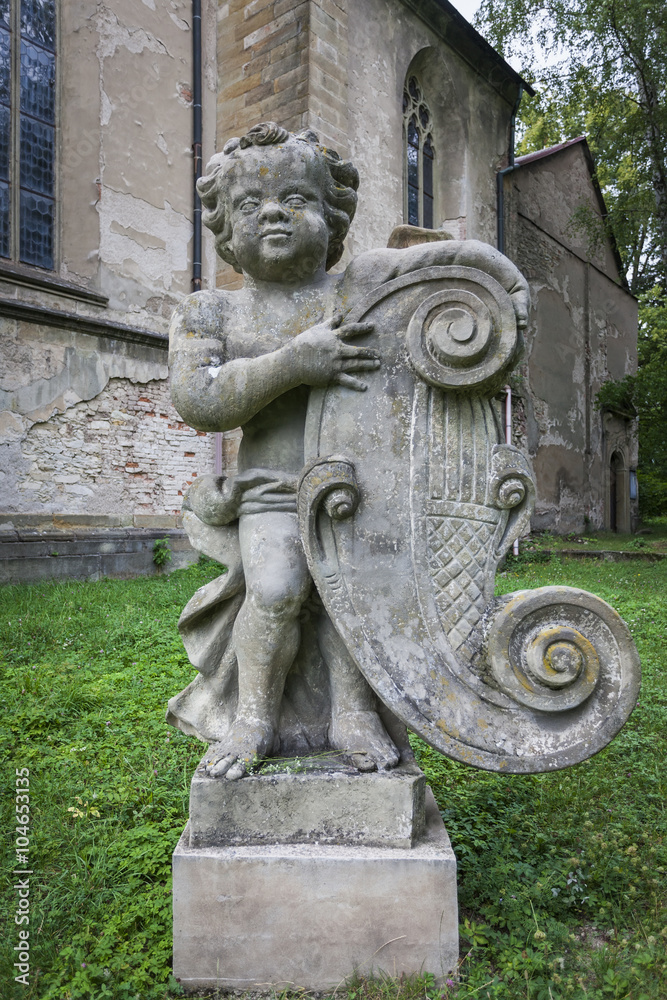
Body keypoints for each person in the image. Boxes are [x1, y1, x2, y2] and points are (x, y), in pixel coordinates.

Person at [168, 121, 529, 779]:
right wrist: (292, 363)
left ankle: (354, 713)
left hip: (365, 489)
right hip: (275, 487)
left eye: (295, 200)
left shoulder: (356, 286)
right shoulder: (211, 312)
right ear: (225, 227)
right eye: (249, 205)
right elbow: (199, 400)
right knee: (275, 592)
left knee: (354, 599)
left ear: (330, 216)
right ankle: (253, 719)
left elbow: (447, 266)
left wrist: (506, 293)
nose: (272, 213)